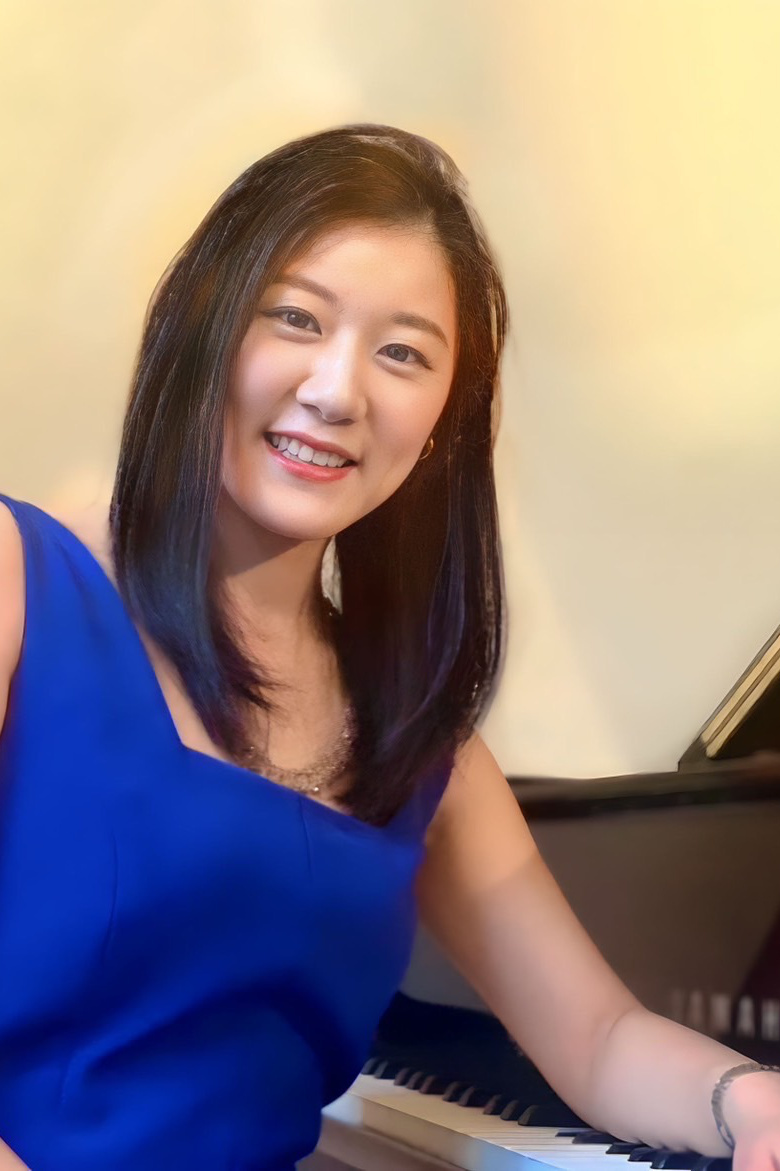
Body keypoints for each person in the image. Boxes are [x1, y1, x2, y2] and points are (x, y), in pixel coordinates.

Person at [0, 123, 777, 1171]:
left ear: (444, 417)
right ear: (201, 325)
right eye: (296, 317)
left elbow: (600, 1039)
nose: (337, 391)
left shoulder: (420, 740)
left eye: (403, 352)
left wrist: (751, 1104)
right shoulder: (21, 581)